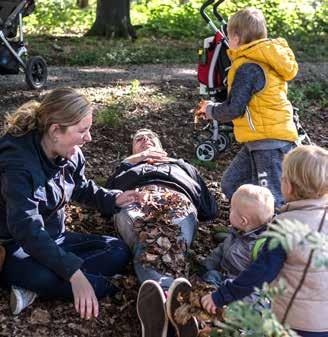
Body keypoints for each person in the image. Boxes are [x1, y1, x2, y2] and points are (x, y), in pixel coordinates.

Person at [0, 88, 144, 319]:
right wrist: (74, 273)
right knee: (95, 287)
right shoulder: (18, 162)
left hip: (56, 238)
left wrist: (113, 198)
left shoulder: (70, 152)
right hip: (17, 247)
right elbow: (26, 229)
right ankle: (46, 281)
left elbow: (80, 187)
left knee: (117, 251)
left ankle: (34, 288)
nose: (89, 138)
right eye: (82, 130)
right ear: (55, 130)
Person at [172, 145, 328, 337]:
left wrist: (221, 296)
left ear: (288, 186)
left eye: (283, 178)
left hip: (296, 322)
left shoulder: (286, 225)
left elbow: (260, 274)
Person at [105, 128, 218, 337]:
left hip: (178, 201)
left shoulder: (183, 166)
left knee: (172, 239)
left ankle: (161, 309)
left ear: (162, 147)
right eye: (139, 139)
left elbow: (210, 209)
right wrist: (133, 161)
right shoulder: (126, 167)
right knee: (149, 238)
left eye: (150, 137)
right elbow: (104, 200)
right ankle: (176, 306)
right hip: (136, 199)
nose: (145, 140)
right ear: (132, 149)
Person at [198, 8, 298, 208]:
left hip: (270, 142)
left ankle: (269, 236)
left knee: (271, 199)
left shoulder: (249, 67)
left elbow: (235, 108)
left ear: (235, 37)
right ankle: (249, 223)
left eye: (228, 34)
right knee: (231, 184)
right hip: (258, 140)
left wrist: (210, 110)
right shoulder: (259, 59)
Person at [201, 184, 274, 285]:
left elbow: (258, 280)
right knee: (211, 274)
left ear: (243, 221)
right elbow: (222, 250)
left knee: (211, 278)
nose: (229, 211)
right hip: (223, 273)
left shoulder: (260, 246)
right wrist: (206, 266)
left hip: (237, 287)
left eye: (231, 210)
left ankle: (203, 294)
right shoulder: (237, 231)